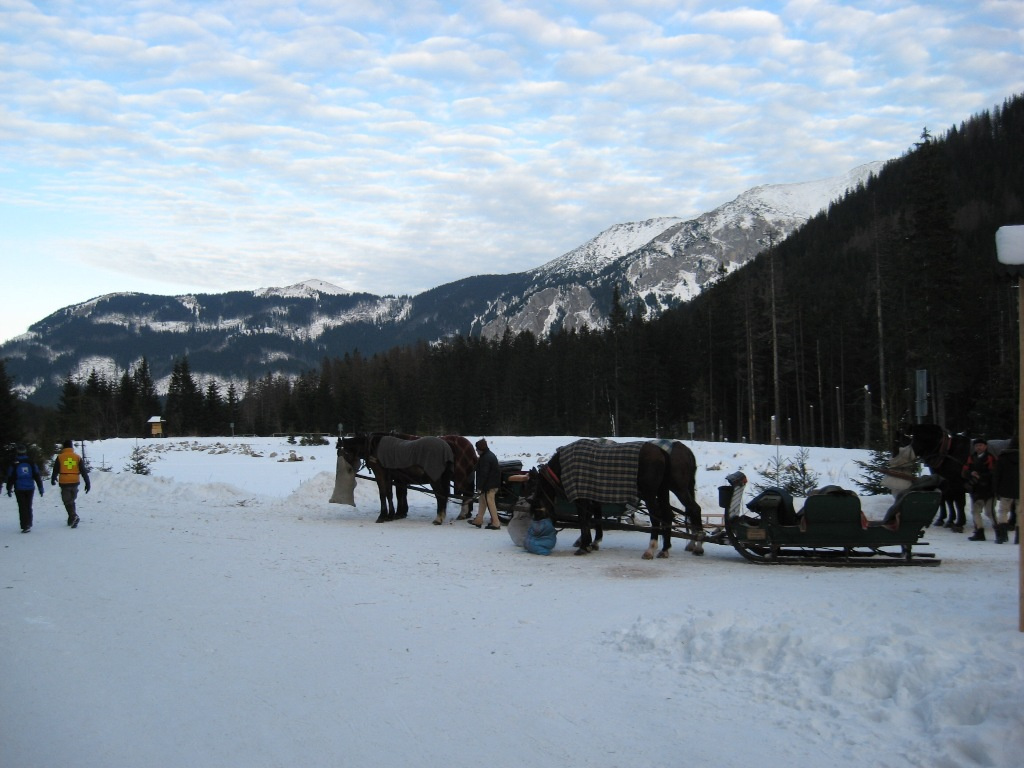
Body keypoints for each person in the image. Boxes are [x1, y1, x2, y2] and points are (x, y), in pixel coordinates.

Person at [50, 439, 91, 528]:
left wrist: (53, 478)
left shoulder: (60, 457)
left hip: (64, 481)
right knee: (71, 500)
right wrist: (87, 482)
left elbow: (55, 469)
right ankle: (71, 519)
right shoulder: (77, 457)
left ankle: (73, 516)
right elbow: (83, 471)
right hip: (75, 481)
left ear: (64, 447)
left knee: (67, 501)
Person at [962, 437, 996, 541]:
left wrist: (981, 476)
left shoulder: (990, 458)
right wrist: (971, 473)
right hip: (976, 489)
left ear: (985, 446)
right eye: (976, 446)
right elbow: (964, 471)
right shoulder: (971, 458)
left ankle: (999, 532)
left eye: (980, 445)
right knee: (975, 511)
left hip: (988, 489)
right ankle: (979, 532)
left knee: (990, 512)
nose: (978, 447)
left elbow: (994, 472)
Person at [6, 443, 44, 533]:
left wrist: (9, 488)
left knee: (22, 507)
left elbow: (10, 477)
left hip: (19, 488)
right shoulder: (31, 462)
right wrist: (40, 487)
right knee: (28, 505)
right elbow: (37, 475)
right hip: (30, 487)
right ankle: (29, 523)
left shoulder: (14, 463)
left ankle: (25, 525)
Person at [468, 438, 501, 530]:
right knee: (482, 502)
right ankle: (478, 520)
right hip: (490, 484)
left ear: (480, 449)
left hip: (489, 486)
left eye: (477, 449)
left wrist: (480, 487)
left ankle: (496, 523)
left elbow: (484, 474)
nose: (476, 451)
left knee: (490, 503)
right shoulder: (487, 456)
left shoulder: (486, 458)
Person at [993, 437, 1018, 544]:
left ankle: (1002, 536)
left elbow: (996, 475)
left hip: (1005, 490)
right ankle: (1019, 538)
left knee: (1003, 512)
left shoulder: (1003, 458)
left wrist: (995, 489)